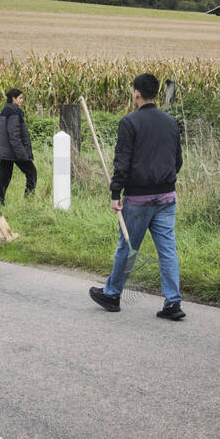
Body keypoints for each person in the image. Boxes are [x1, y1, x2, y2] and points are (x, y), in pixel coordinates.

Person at [89, 73, 185, 320]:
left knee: (128, 246)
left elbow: (123, 162)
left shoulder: (129, 122)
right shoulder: (171, 122)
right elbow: (178, 161)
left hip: (139, 200)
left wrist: (115, 192)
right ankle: (173, 303)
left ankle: (111, 295)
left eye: (133, 91)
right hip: (167, 198)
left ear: (137, 93)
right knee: (168, 250)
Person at [0, 87, 36, 205]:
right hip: (14, 151)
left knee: (4, 176)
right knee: (32, 173)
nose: (22, 100)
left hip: (6, 151)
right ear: (13, 99)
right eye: (20, 98)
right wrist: (22, 154)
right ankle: (29, 200)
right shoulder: (14, 111)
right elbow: (14, 134)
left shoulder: (5, 110)